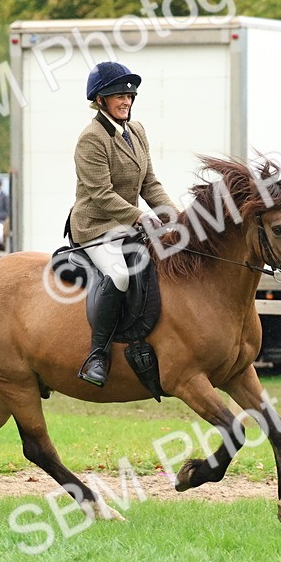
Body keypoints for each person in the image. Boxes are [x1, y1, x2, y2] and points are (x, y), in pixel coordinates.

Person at [68, 61, 176, 386]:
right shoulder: (91, 139)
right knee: (120, 276)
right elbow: (101, 194)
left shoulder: (137, 131)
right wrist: (142, 216)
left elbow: (150, 184)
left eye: (130, 96)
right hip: (96, 228)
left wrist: (177, 216)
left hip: (128, 225)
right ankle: (97, 355)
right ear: (100, 100)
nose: (126, 101)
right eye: (118, 95)